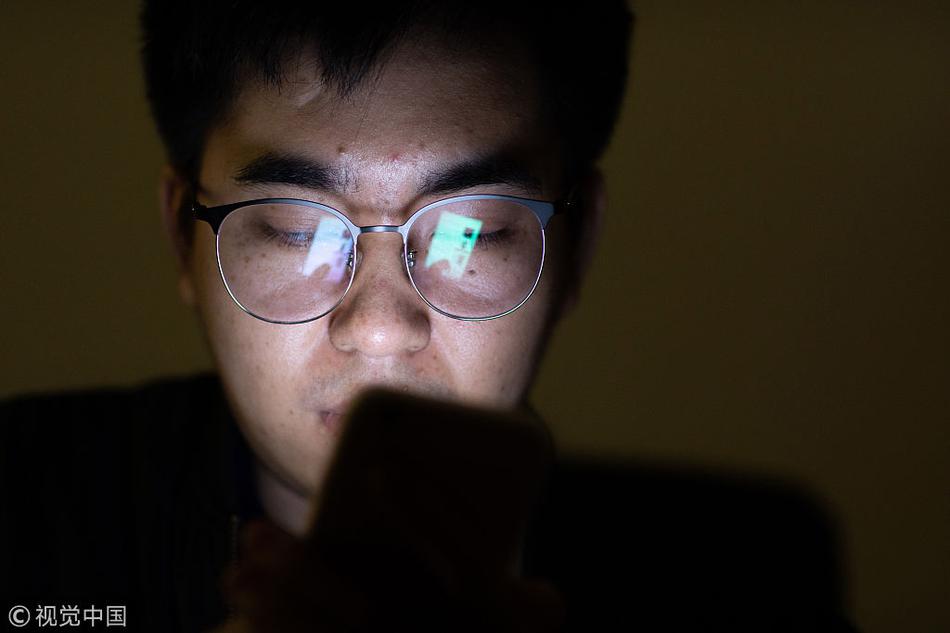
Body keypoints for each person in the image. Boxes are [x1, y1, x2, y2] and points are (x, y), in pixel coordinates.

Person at [1, 1, 855, 631]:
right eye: (300, 229)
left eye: (467, 230)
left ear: (578, 243)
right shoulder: (25, 523)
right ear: (181, 235)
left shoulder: (748, 585)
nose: (379, 326)